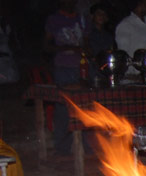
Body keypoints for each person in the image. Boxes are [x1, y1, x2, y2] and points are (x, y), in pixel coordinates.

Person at [44, 0, 87, 156]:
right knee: (63, 106)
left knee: (85, 105)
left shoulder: (81, 19)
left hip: (81, 67)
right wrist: (67, 48)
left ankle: (86, 146)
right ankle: (62, 148)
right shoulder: (54, 19)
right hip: (63, 68)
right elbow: (46, 46)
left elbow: (86, 41)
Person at [84, 2, 115, 82]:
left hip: (104, 72)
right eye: (99, 14)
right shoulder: (86, 33)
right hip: (89, 70)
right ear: (92, 16)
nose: (102, 16)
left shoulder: (108, 36)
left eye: (104, 14)